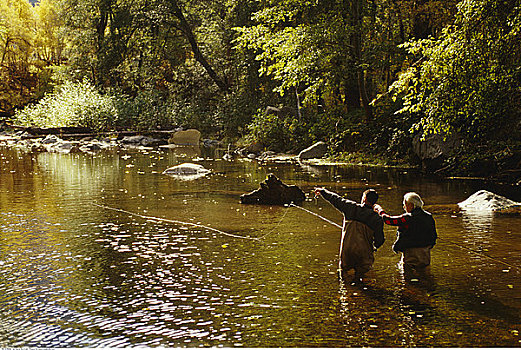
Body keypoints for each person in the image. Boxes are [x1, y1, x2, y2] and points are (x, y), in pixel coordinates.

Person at [314, 187, 385, 284]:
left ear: (364, 199)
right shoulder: (377, 219)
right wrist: (375, 246)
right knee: (364, 278)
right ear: (374, 202)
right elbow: (380, 240)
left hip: (347, 250)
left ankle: (346, 294)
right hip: (364, 253)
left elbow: (336, 199)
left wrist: (323, 191)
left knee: (345, 277)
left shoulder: (351, 207)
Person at [373, 192, 437, 270]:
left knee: (408, 273)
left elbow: (389, 220)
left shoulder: (408, 217)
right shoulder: (429, 216)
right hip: (425, 252)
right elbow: (434, 235)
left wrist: (379, 210)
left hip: (411, 252)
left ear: (411, 205)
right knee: (424, 271)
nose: (404, 207)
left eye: (405, 204)